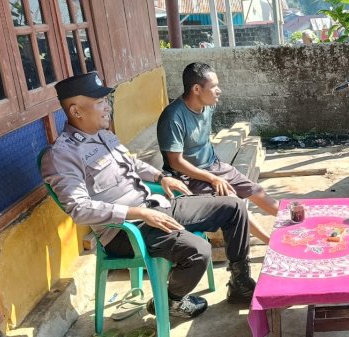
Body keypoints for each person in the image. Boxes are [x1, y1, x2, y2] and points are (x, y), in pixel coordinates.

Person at [40, 72, 258, 319]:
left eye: (106, 101)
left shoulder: (103, 134)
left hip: (153, 207)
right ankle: (170, 300)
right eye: (100, 103)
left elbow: (131, 164)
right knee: (198, 251)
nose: (107, 107)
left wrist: (160, 177)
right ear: (76, 111)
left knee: (234, 206)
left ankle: (240, 284)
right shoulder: (61, 155)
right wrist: (139, 213)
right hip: (125, 229)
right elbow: (79, 209)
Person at [157, 62, 280, 244]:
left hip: (214, 165)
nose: (219, 91)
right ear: (197, 89)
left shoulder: (208, 106)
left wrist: (215, 174)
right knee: (234, 201)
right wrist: (212, 179)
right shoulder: (173, 117)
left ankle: (301, 221)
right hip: (186, 176)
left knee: (256, 190)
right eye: (214, 87)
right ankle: (270, 242)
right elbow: (175, 162)